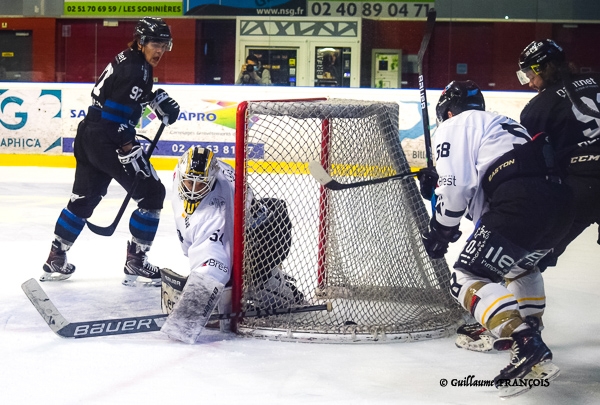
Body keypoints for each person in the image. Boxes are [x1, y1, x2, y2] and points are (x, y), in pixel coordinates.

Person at [419, 80, 572, 394]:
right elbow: (480, 196)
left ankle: (526, 344)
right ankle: (532, 336)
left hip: (522, 202)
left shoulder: (454, 124)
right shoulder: (502, 123)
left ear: (447, 110)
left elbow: (457, 190)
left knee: (465, 277)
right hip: (560, 204)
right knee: (520, 268)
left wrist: (441, 229)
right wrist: (436, 190)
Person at [41, 17, 181, 287]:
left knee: (84, 198)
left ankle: (55, 256)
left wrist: (152, 99)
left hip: (89, 134)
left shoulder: (131, 60)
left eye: (164, 45)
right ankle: (136, 261)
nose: (160, 50)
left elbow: (122, 95)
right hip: (108, 136)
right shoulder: (136, 69)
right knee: (152, 193)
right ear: (141, 42)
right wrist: (127, 147)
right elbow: (115, 115)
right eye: (155, 43)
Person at [160, 146, 305, 344]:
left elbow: (216, 264)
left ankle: (281, 290)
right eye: (189, 182)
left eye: (200, 185)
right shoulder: (188, 173)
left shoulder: (218, 213)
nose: (192, 191)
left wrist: (192, 312)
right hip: (255, 220)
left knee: (251, 279)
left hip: (266, 236)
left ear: (211, 181)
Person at [517, 39, 600, 272]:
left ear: (541, 69)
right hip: (584, 185)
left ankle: (510, 305)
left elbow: (537, 162)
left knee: (528, 260)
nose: (529, 83)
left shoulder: (539, 106)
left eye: (529, 75)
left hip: (581, 188)